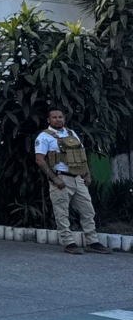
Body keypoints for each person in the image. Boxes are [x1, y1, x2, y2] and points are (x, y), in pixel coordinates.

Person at [35, 108, 112, 255]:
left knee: (88, 211)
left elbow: (82, 155)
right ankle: (69, 243)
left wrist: (87, 174)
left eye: (60, 117)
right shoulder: (44, 136)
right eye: (54, 117)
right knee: (62, 213)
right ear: (49, 120)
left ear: (64, 119)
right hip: (61, 179)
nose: (58, 119)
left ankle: (92, 242)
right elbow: (39, 160)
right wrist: (54, 178)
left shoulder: (71, 133)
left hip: (78, 179)